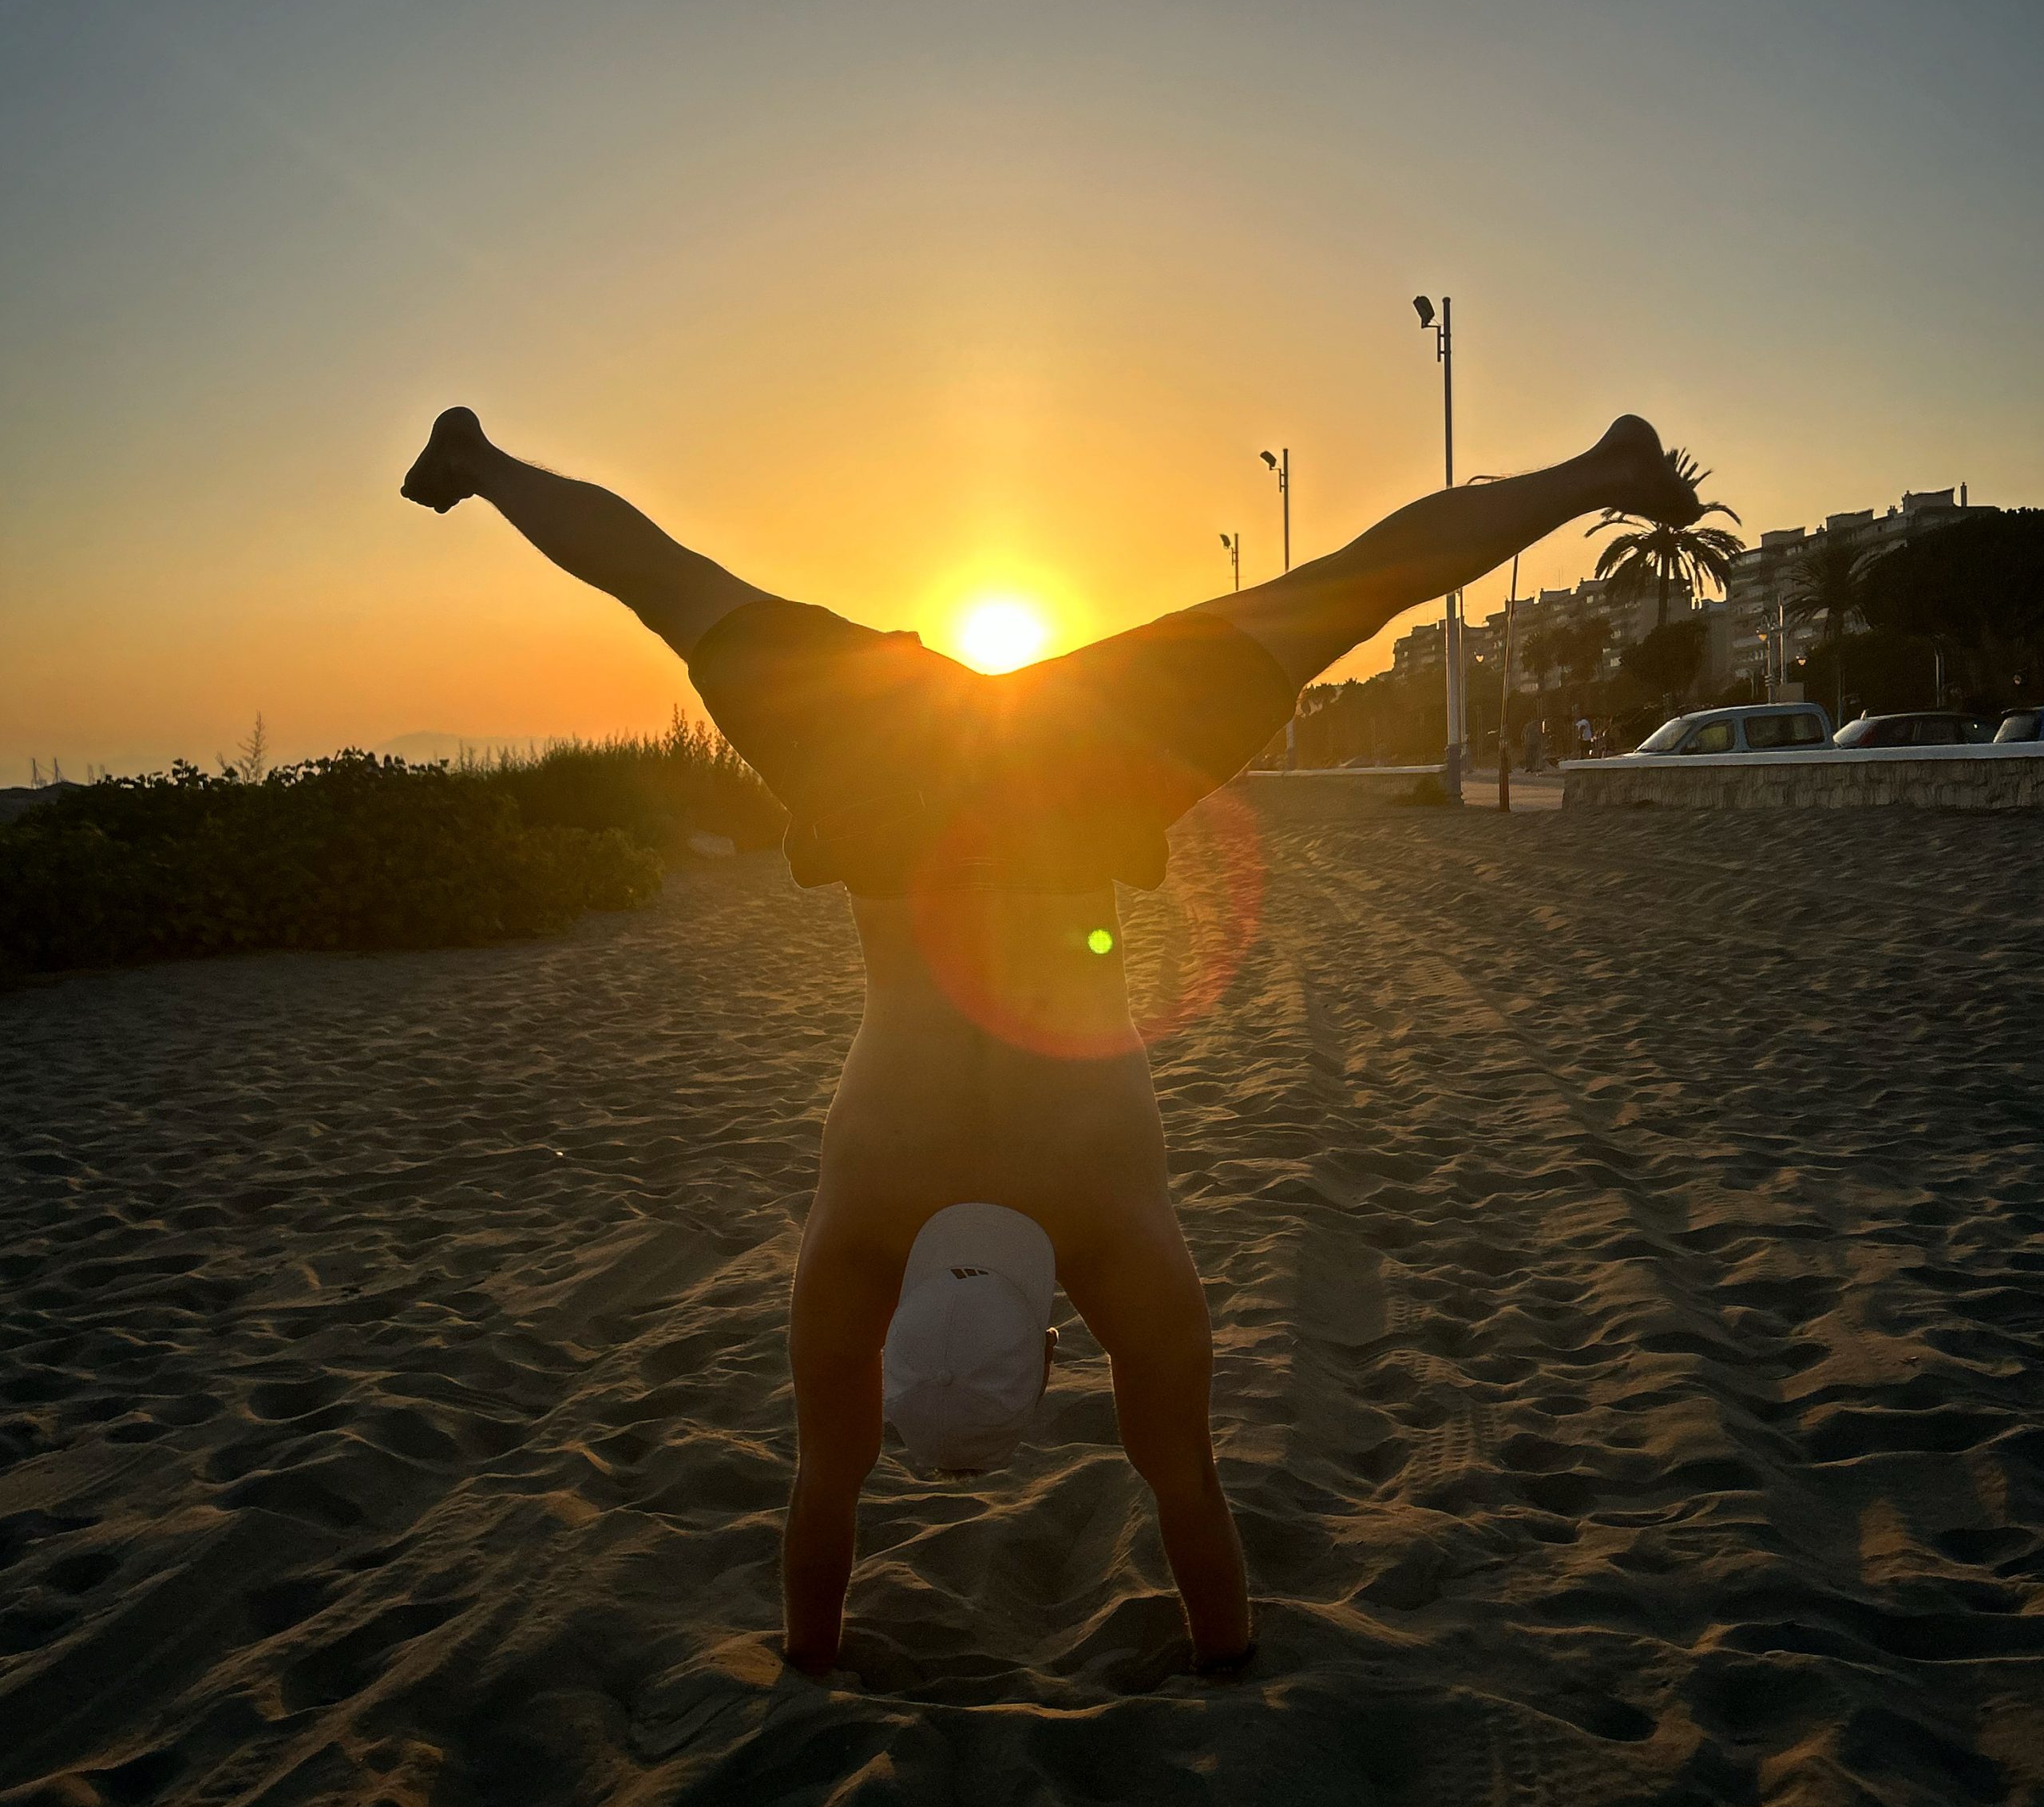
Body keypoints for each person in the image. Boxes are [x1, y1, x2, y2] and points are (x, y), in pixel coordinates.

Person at [401, 405, 1697, 1676]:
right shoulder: (859, 1239)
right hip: (887, 766)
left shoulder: (1111, 1240)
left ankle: (1598, 469)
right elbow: (823, 1498)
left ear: (1049, 1342)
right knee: (672, 587)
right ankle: (483, 459)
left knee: (1350, 592)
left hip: (1084, 783)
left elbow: (1185, 1488)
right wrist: (809, 1651)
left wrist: (1227, 1653)